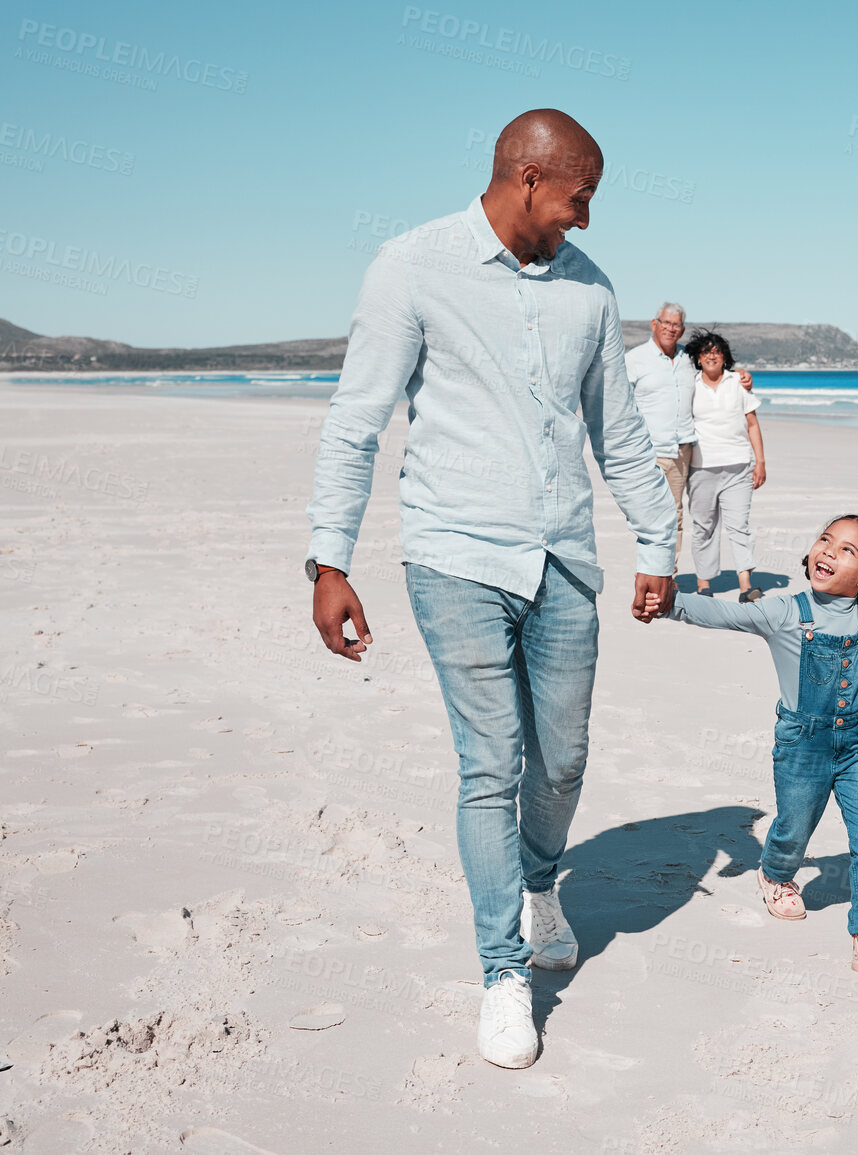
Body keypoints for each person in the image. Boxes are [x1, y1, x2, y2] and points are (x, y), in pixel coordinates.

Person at [304, 109, 678, 1069]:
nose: (584, 220)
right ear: (526, 178)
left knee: (560, 759)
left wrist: (657, 541)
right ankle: (503, 974)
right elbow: (357, 419)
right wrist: (330, 559)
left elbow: (620, 433)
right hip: (454, 552)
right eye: (577, 198)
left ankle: (540, 882)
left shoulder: (590, 292)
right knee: (490, 763)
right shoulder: (411, 265)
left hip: (562, 558)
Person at [642, 515, 858, 977]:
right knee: (794, 830)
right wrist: (669, 601)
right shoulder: (784, 611)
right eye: (825, 541)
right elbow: (725, 614)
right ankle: (774, 873)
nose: (829, 552)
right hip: (802, 745)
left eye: (847, 550)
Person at [623, 303, 752, 571]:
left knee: (676, 515)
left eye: (676, 325)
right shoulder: (634, 360)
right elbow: (620, 402)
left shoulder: (687, 361)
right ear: (654, 324)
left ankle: (668, 574)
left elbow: (713, 372)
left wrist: (740, 375)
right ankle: (652, 569)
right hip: (650, 450)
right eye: (666, 323)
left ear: (682, 330)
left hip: (683, 451)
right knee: (651, 515)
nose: (671, 328)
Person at [685, 329, 767, 600]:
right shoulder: (689, 384)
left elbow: (752, 424)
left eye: (717, 352)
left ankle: (746, 587)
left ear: (724, 358)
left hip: (739, 467)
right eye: (706, 352)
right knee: (704, 527)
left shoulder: (737, 383)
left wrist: (760, 462)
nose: (711, 356)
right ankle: (703, 585)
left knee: (738, 526)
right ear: (697, 359)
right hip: (701, 468)